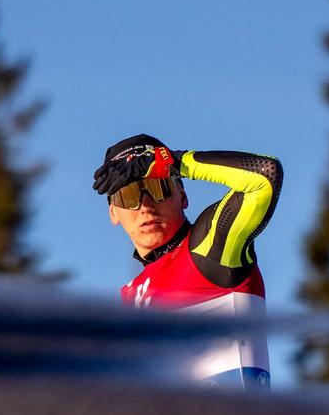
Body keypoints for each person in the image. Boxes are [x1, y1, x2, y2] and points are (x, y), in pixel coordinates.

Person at [92, 133, 283, 389]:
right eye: (129, 195)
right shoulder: (132, 295)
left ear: (182, 196)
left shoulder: (208, 247)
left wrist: (172, 162)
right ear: (113, 212)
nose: (145, 206)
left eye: (158, 187)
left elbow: (264, 177)